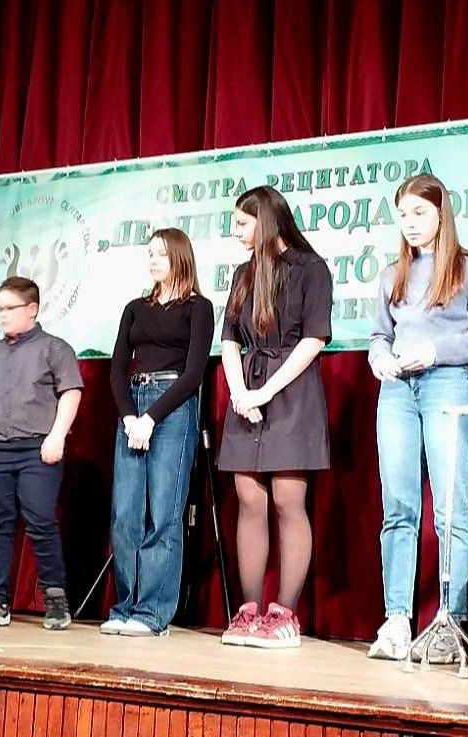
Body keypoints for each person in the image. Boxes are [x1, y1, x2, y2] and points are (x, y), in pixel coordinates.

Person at [366, 173, 468, 662]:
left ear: (441, 213)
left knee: (450, 508)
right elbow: (379, 335)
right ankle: (397, 619)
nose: (409, 222)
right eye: (402, 214)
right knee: (398, 507)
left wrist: (434, 351)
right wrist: (379, 357)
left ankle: (451, 620)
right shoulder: (391, 275)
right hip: (397, 392)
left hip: (447, 385)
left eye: (419, 213)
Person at [218, 185, 333, 650]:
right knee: (249, 498)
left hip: (291, 391)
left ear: (265, 221)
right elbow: (229, 339)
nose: (236, 231)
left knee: (288, 499)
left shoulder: (311, 269)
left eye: (242, 223)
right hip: (247, 391)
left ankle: (284, 613)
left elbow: (314, 339)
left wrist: (266, 390)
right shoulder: (244, 273)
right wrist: (240, 391)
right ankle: (248, 611)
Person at [103, 228, 214, 637]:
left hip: (172, 406)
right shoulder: (135, 308)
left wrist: (151, 418)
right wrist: (130, 417)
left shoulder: (198, 308)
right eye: (149, 254)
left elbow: (194, 373)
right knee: (125, 514)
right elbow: (117, 369)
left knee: (164, 514)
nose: (153, 261)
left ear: (180, 258)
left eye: (161, 255)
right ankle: (125, 606)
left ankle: (152, 614)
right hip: (132, 405)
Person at [0, 276, 83, 631]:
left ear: (32, 309)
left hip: (37, 448)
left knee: (40, 520)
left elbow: (71, 392)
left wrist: (56, 436)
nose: (1, 315)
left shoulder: (54, 348)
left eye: (9, 308)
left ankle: (55, 600)